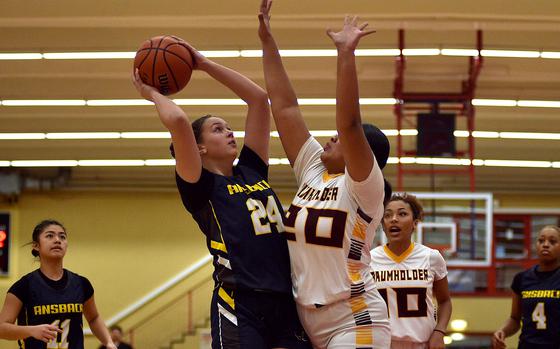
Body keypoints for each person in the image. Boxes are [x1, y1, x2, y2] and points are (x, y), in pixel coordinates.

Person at [132, 42, 310, 349]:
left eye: (229, 127)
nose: (230, 132)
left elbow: (258, 100)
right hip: (240, 303)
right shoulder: (199, 185)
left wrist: (203, 63)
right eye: (218, 129)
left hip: (285, 297)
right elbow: (177, 122)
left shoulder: (251, 171)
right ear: (198, 147)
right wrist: (152, 93)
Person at [259, 2, 391, 347]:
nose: (331, 137)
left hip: (354, 316)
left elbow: (348, 124)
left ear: (365, 154)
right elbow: (285, 107)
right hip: (304, 318)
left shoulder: (364, 188)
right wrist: (267, 42)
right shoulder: (314, 170)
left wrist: (345, 54)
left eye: (342, 139)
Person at [0, 219, 117, 349]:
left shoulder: (81, 283)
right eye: (50, 236)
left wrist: (108, 342)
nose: (57, 240)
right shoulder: (23, 286)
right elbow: (2, 328)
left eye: (62, 236)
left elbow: (94, 318)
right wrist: (31, 331)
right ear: (36, 246)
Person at [370, 193, 452, 349]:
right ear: (383, 223)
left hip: (422, 344)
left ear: (415, 223)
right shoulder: (369, 260)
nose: (394, 219)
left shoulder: (431, 257)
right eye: (387, 215)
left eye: (402, 214)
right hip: (381, 345)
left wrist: (439, 332)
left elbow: (445, 301)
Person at [492, 225, 560, 349]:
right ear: (536, 245)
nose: (545, 244)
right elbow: (515, 318)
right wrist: (503, 331)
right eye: (541, 240)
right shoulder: (522, 278)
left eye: (552, 241)